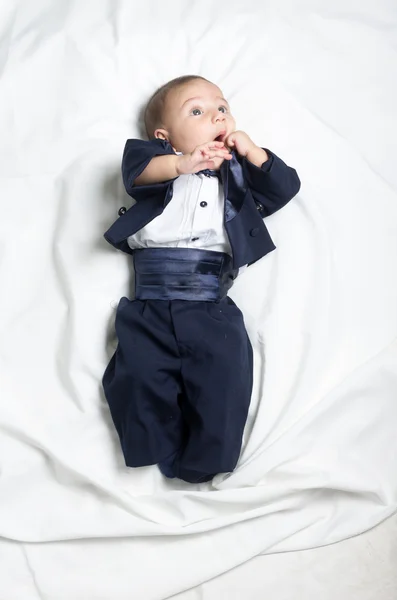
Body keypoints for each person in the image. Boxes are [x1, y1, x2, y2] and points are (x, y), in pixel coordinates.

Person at [102, 75, 300, 483]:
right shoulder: (158, 165)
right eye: (198, 111)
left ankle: (209, 455)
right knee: (137, 375)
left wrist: (253, 152)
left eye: (222, 108)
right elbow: (134, 174)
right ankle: (154, 444)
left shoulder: (238, 178)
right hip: (150, 303)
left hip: (211, 301)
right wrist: (181, 164)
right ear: (165, 136)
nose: (216, 115)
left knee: (225, 378)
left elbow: (284, 189)